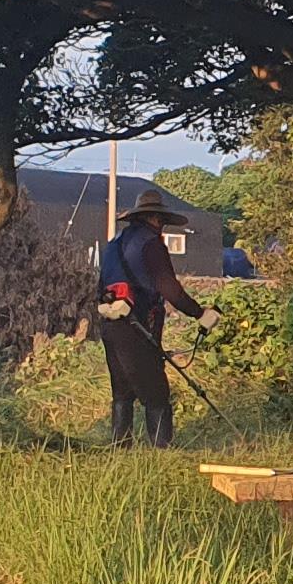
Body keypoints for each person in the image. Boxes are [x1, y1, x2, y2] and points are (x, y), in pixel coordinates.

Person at [95, 187, 207, 447]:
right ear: (155, 218)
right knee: (156, 392)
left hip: (111, 324)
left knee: (122, 391)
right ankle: (162, 453)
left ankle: (119, 450)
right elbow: (169, 289)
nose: (163, 228)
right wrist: (199, 313)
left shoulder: (114, 244)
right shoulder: (152, 244)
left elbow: (100, 286)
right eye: (162, 222)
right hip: (138, 325)